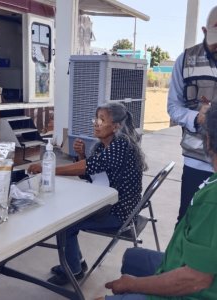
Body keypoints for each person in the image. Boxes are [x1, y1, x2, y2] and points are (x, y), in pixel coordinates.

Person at [96, 102, 217, 300]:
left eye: (101, 120)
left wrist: (134, 284)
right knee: (132, 258)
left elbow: (195, 280)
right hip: (180, 262)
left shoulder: (213, 200)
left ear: (209, 140)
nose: (97, 124)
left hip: (192, 288)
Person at [28, 102, 147, 286]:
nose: (96, 123)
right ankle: (77, 263)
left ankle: (72, 271)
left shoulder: (122, 145)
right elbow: (92, 175)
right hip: (106, 203)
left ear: (116, 126)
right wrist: (82, 155)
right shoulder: (102, 147)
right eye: (95, 119)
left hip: (120, 212)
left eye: (102, 120)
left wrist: (49, 169)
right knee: (66, 212)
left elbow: (88, 168)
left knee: (65, 223)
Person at [167, 5, 217, 223]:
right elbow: (173, 107)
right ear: (205, 32)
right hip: (196, 161)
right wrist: (195, 118)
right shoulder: (185, 61)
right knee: (188, 221)